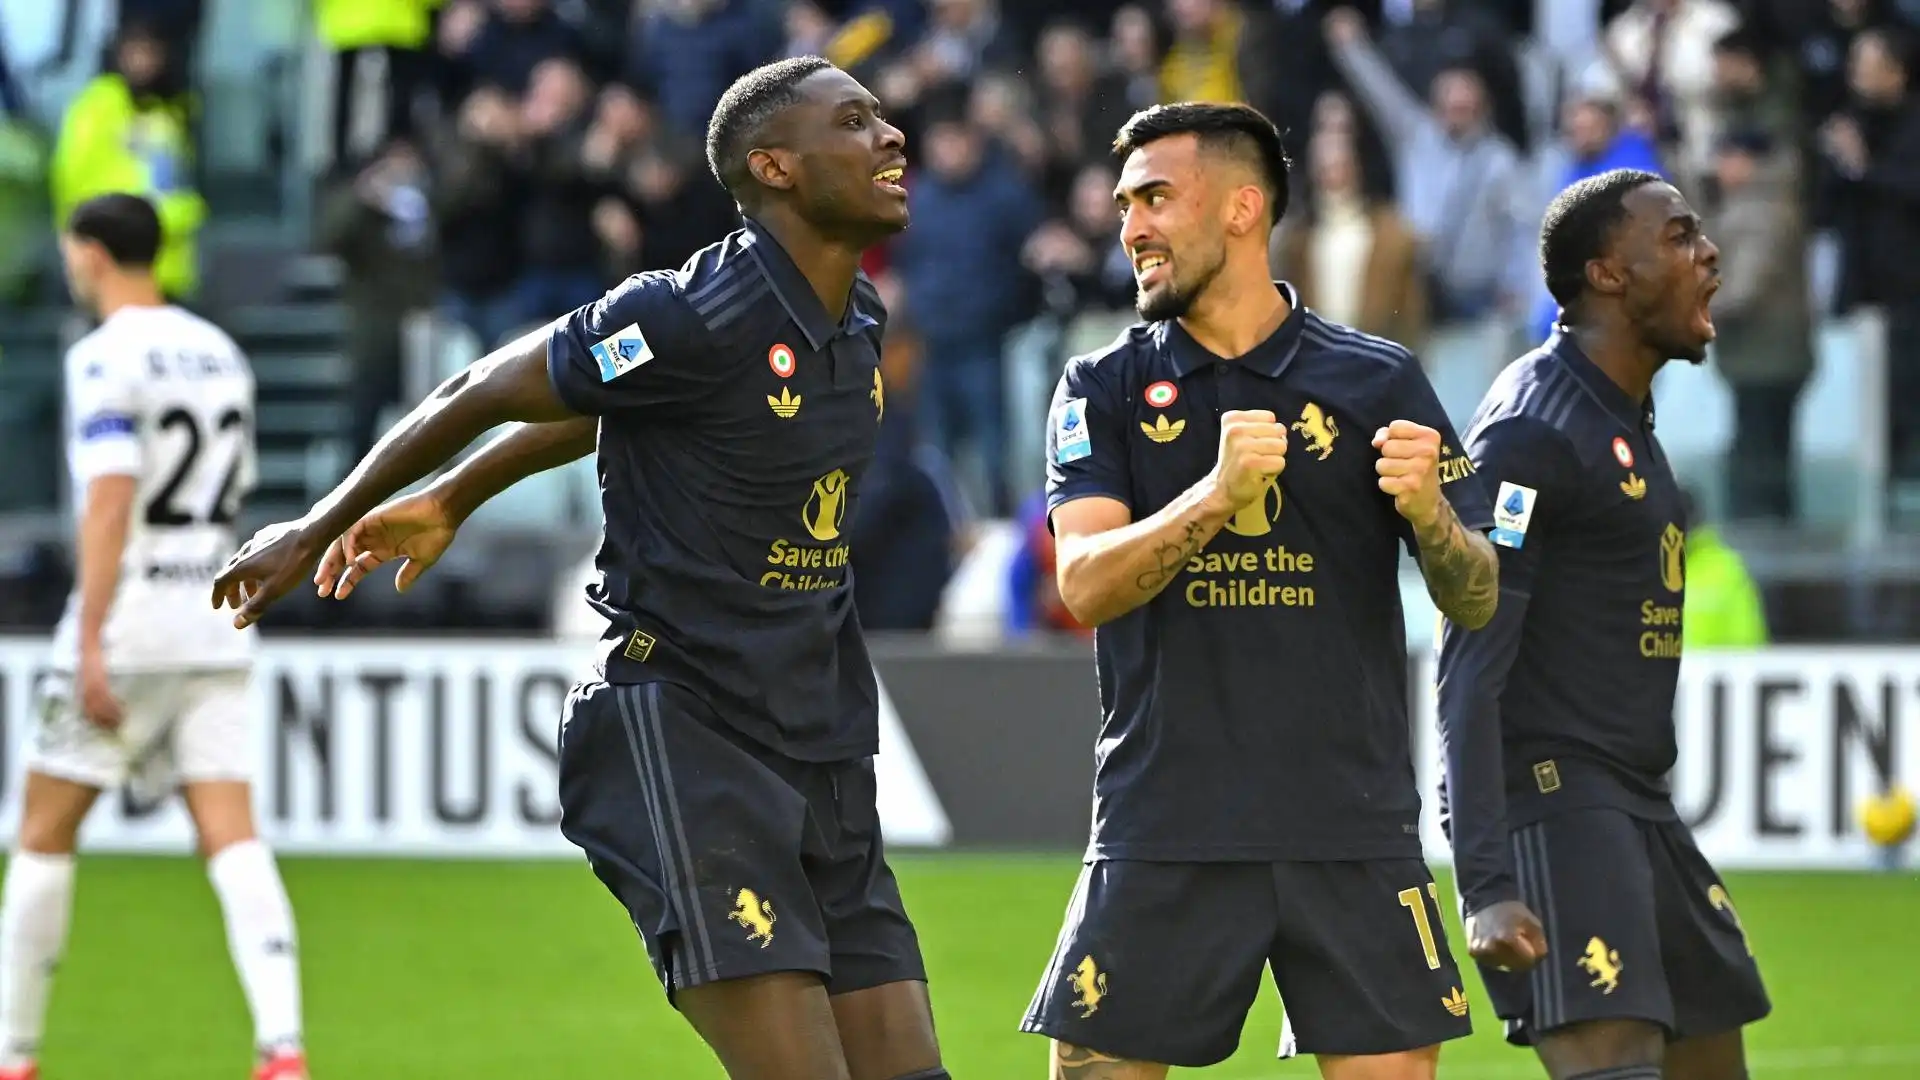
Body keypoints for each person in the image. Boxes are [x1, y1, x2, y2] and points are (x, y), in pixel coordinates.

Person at [207, 57, 949, 1080]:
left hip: (820, 733)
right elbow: (482, 386)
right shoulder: (693, 311)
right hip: (686, 725)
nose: (891, 134)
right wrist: (321, 521)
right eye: (854, 121)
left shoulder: (856, 320)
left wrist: (455, 495)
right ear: (774, 166)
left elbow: (625, 403)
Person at [1022, 101, 1499, 1080]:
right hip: (1166, 822)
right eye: (1124, 204)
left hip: (1349, 824)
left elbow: (1479, 595)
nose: (1130, 227)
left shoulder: (1378, 380)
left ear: (1242, 209)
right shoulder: (1101, 387)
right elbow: (1085, 583)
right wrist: (1212, 498)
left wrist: (1431, 517)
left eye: (1156, 198)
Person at [1436, 168, 1771, 1080]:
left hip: (1640, 804)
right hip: (1558, 810)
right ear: (1608, 275)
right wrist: (1486, 884)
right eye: (1679, 236)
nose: (1709, 254)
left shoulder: (1621, 419)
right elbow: (1468, 665)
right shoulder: (1531, 432)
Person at [0, 193, 306, 1080]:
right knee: (233, 835)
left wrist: (90, 637)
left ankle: (13, 1054)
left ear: (90, 254)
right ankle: (283, 1048)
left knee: (43, 831)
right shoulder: (220, 351)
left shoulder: (102, 356)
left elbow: (110, 498)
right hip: (215, 614)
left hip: (132, 616)